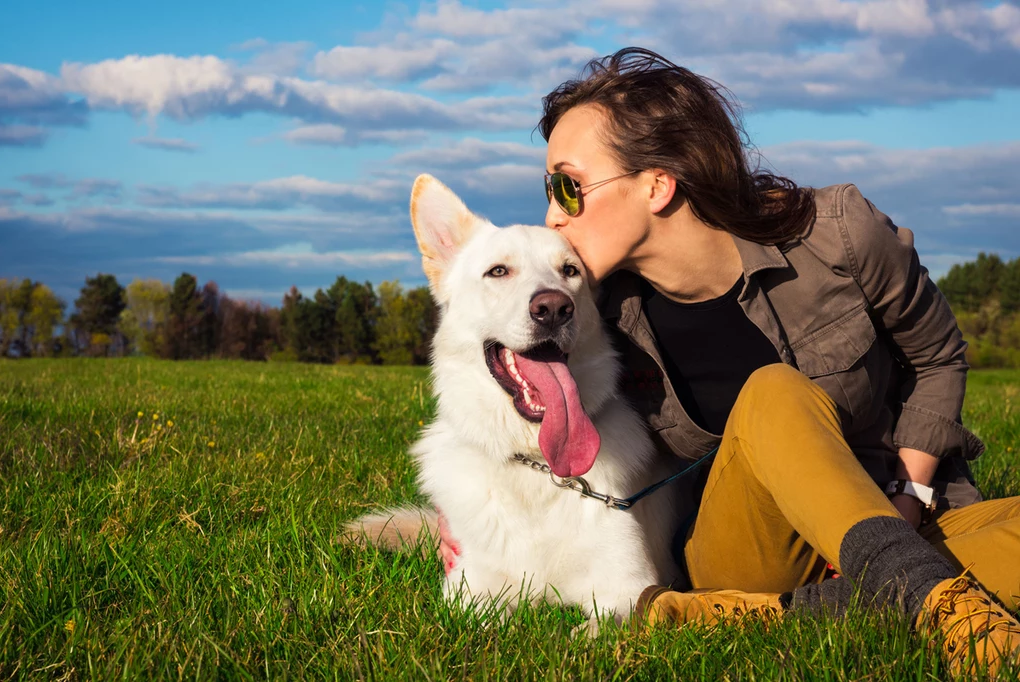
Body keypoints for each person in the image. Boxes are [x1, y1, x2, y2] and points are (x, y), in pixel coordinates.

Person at [437, 47, 1020, 677]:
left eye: (567, 186)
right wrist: (476, 486)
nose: (554, 215)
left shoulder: (839, 234)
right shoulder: (597, 311)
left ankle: (776, 610)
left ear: (657, 185)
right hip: (752, 544)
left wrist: (907, 498)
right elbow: (501, 359)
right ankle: (947, 612)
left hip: (892, 517)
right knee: (774, 392)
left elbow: (937, 355)